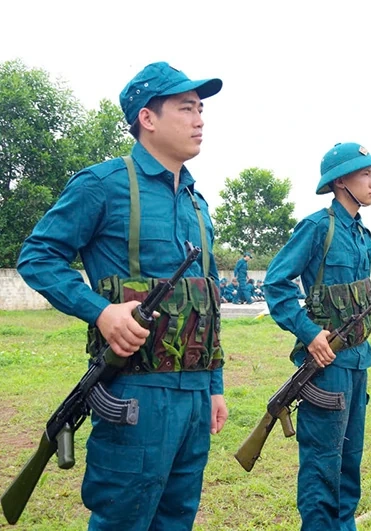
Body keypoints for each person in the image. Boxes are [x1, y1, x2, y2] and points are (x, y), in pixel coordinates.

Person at [16, 61, 227, 530]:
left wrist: (214, 388)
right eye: (186, 108)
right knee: (123, 519)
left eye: (201, 110)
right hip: (134, 390)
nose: (200, 119)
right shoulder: (102, 184)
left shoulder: (197, 202)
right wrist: (102, 311)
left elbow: (206, 302)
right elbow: (38, 256)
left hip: (194, 394)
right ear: (147, 119)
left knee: (177, 518)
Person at [264, 142, 371, 530]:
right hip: (324, 365)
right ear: (341, 181)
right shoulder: (318, 228)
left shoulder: (363, 234)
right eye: (365, 173)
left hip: (356, 361)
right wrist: (309, 332)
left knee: (350, 459)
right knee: (322, 463)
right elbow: (276, 283)